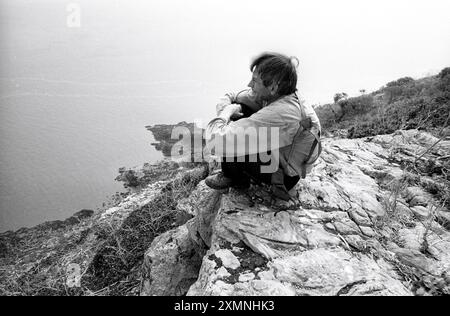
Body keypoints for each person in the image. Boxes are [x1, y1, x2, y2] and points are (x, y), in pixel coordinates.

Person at [204, 52, 321, 200]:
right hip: (282, 157)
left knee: (232, 135)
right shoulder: (282, 94)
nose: (249, 84)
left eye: (255, 81)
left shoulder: (282, 113)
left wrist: (226, 112)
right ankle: (237, 172)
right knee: (242, 107)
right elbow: (233, 96)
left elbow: (215, 142)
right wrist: (231, 106)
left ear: (273, 86)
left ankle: (235, 178)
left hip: (282, 176)